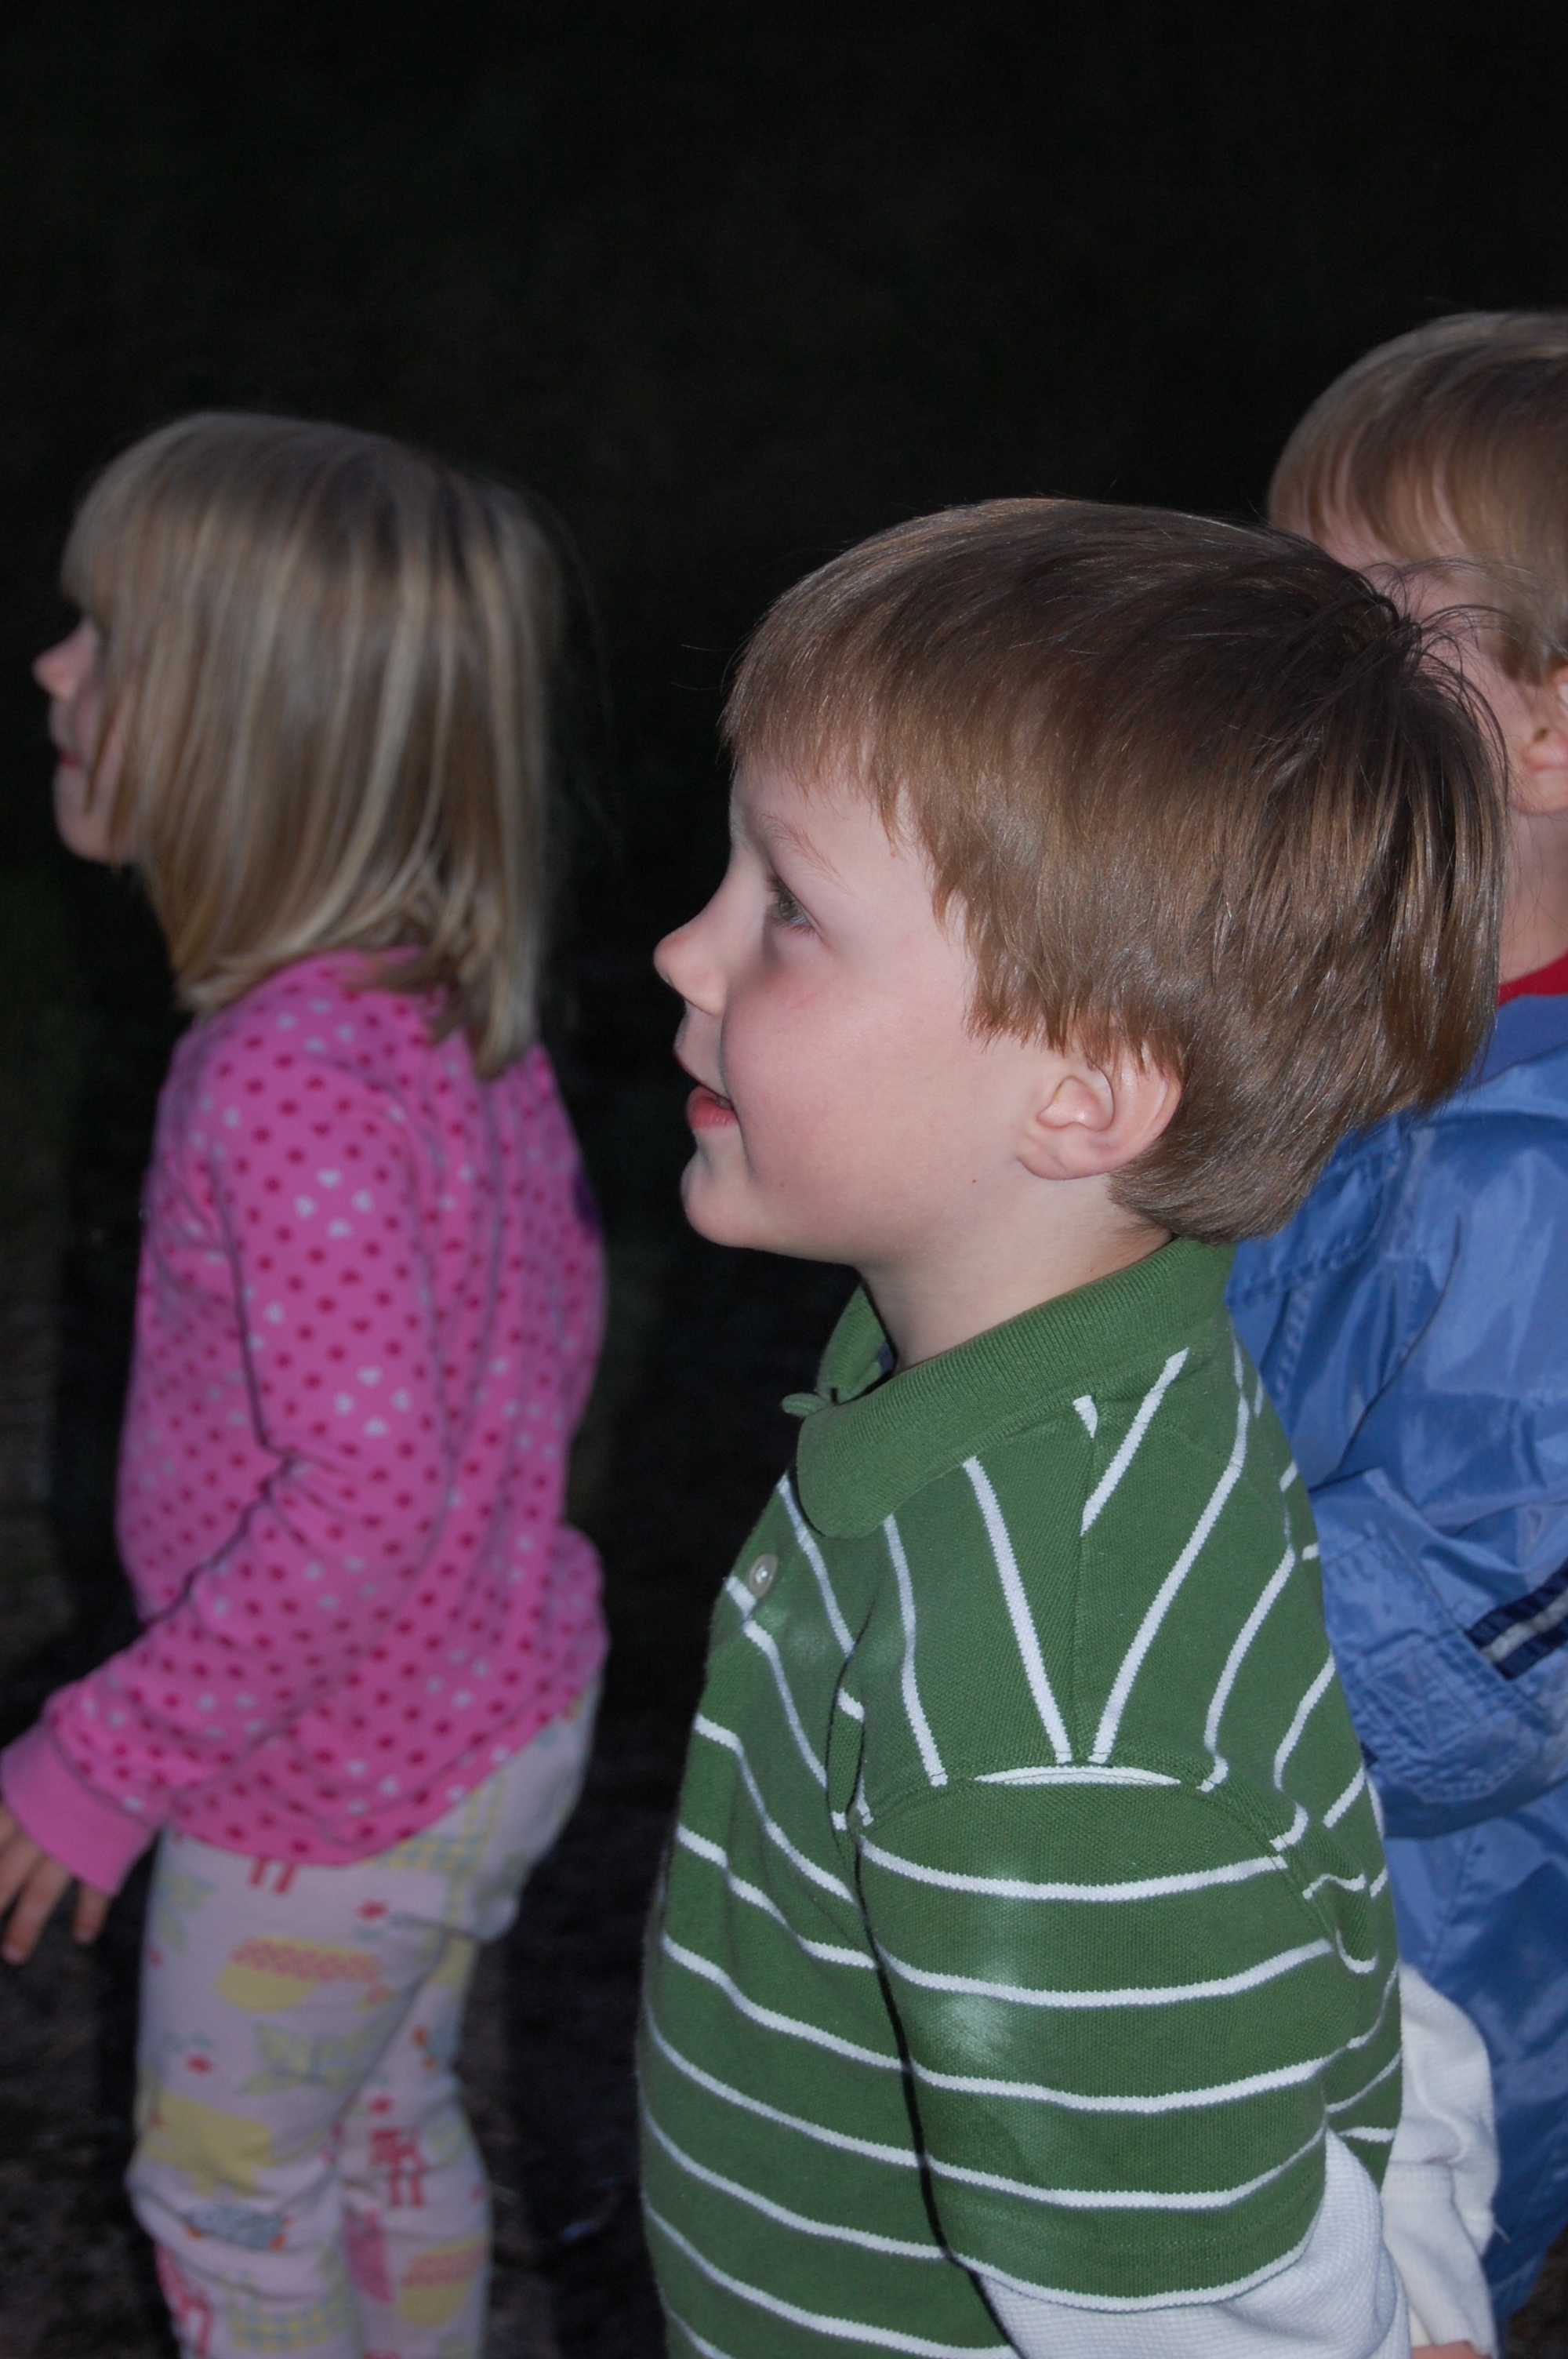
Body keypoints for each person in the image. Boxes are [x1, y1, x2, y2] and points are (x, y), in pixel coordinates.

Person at [639, 499, 1509, 2359]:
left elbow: (1181, 2306)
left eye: (787, 909)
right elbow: (1309, 1876)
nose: (682, 952)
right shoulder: (1085, 1366)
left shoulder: (1037, 1717)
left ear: (1085, 1090)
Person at [0, 414, 606, 2359]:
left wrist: (111, 1749)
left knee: (226, 2191)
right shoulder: (445, 1005)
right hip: (495, 1716)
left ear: (255, 732)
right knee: (384, 2125)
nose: (53, 667)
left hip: (324, 1793)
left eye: (108, 639)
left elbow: (359, 1499)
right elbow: (551, 1323)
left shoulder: (280, 1078)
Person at [1228, 314, 1568, 2344]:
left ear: (1551, 724)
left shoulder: (1540, 1171)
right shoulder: (1356, 1011)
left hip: (1412, 1988)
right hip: (1241, 1896)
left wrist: (1119, 1673)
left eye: (1365, 615)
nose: (1281, 663)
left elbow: (1483, 1644)